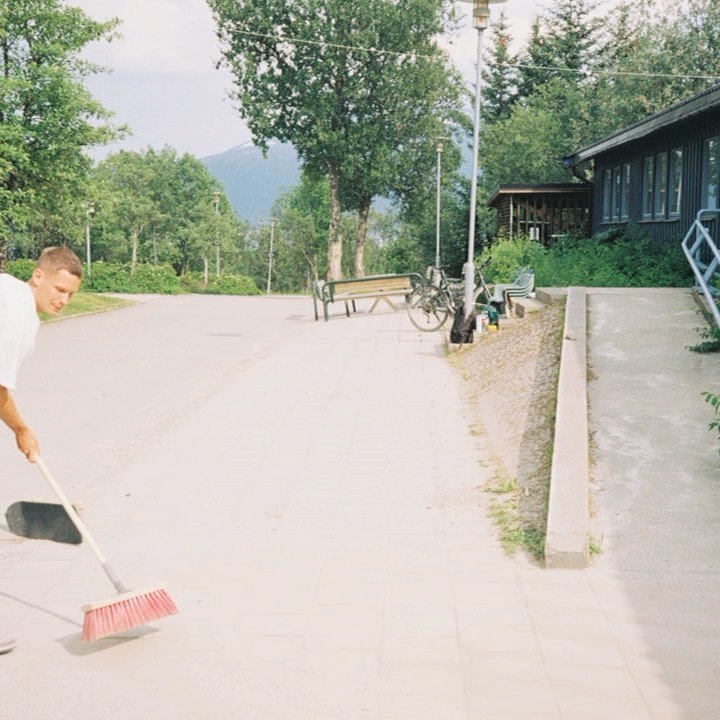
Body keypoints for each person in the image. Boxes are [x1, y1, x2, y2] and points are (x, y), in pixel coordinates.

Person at [0, 246, 83, 655]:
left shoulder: (7, 289)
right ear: (38, 275)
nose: (63, 300)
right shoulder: (16, 317)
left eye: (71, 294)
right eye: (59, 289)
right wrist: (21, 428)